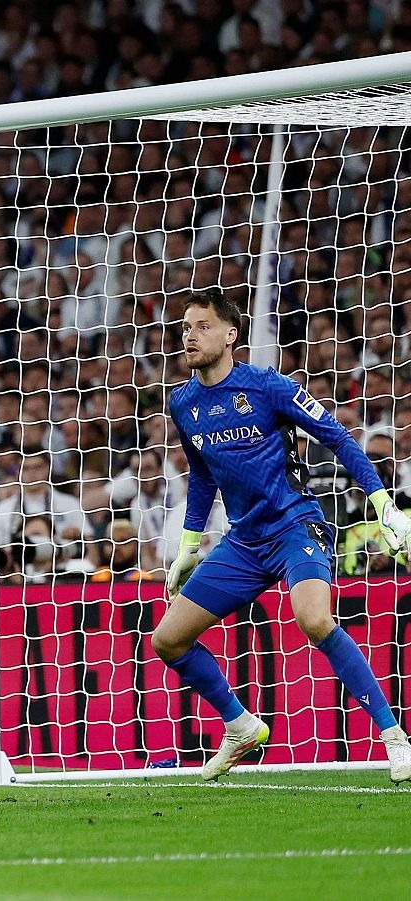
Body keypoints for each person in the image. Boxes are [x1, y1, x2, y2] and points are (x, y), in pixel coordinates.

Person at [158, 288, 411, 782]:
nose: (189, 335)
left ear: (231, 335)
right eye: (185, 327)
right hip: (245, 542)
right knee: (168, 640)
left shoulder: (269, 386)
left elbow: (337, 436)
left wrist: (383, 504)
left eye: (202, 326)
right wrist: (189, 549)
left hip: (296, 525)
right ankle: (240, 725)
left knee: (314, 619)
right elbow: (203, 475)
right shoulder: (183, 402)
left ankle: (393, 735)